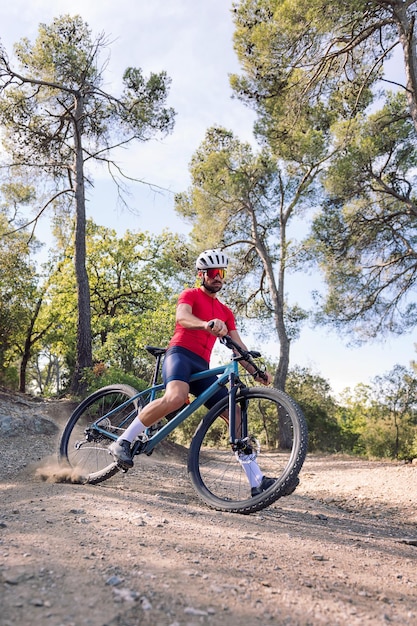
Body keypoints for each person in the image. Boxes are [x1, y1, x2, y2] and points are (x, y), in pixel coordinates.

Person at [109, 248, 275, 496]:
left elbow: (239, 347)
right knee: (176, 397)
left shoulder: (226, 312)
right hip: (180, 355)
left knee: (236, 414)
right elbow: (183, 317)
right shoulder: (190, 294)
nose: (217, 277)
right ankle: (122, 441)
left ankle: (257, 482)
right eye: (212, 272)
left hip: (202, 365)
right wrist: (205, 325)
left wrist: (256, 370)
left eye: (221, 272)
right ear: (201, 275)